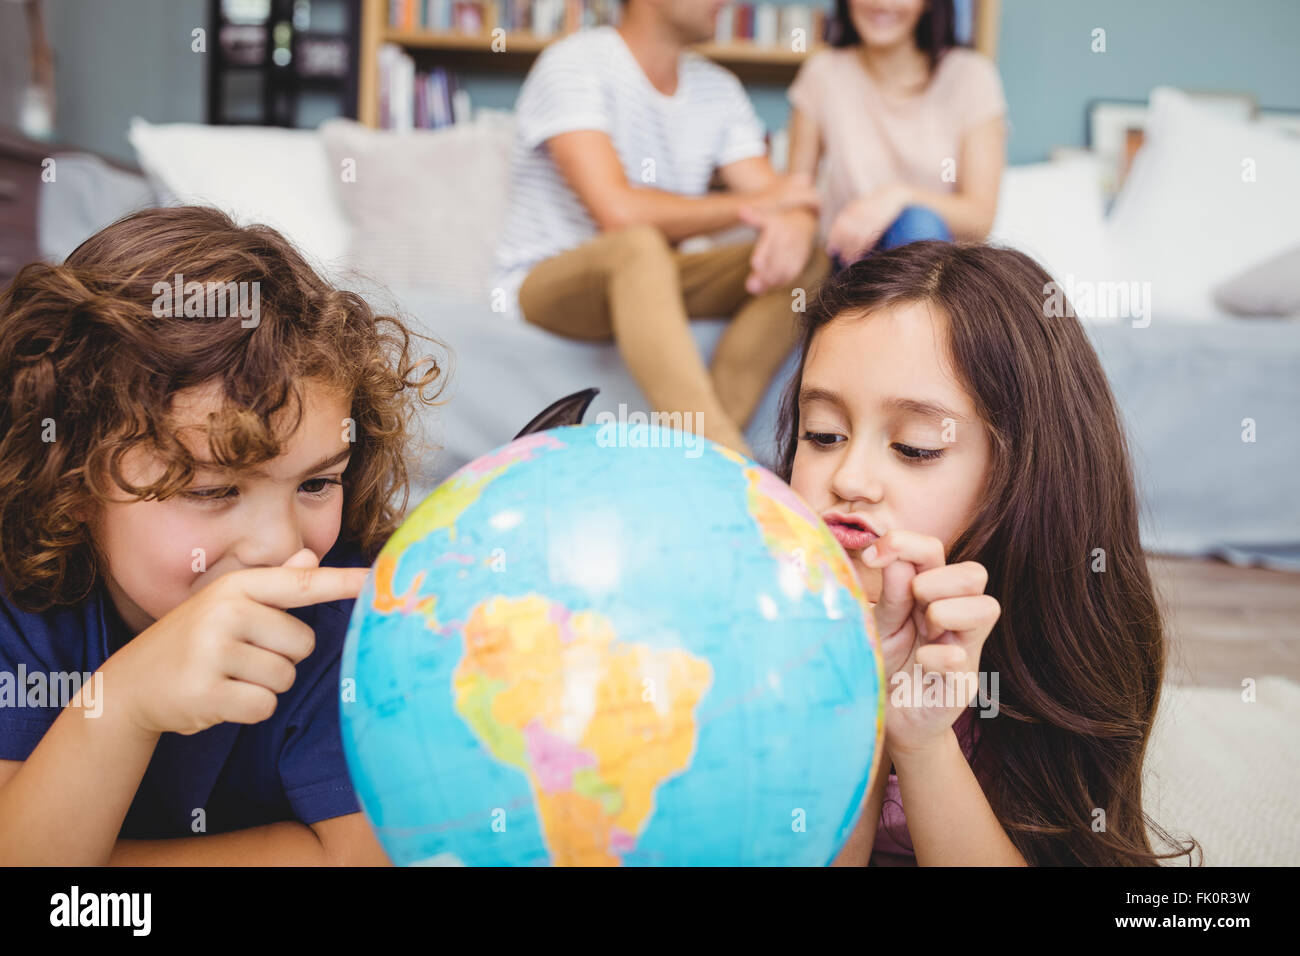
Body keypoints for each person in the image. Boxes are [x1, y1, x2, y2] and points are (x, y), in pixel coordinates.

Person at [0, 206, 445, 864]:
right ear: (72, 487)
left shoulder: (345, 619)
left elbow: (359, 860)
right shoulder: (25, 600)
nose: (278, 546)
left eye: (317, 483)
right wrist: (124, 703)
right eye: (212, 490)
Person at [776, 241, 1201, 865]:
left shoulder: (1059, 649)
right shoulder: (759, 626)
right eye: (823, 435)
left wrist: (921, 740)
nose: (851, 478)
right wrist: (862, 711)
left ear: (1025, 472)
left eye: (915, 447)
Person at [491, 0, 830, 458]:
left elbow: (781, 196)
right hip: (549, 283)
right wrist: (768, 204)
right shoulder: (573, 64)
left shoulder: (718, 88)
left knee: (812, 257)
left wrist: (795, 222)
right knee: (638, 244)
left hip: (652, 275)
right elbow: (618, 211)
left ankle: (706, 450)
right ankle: (730, 458)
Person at [784, 0, 1007, 272]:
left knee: (918, 222)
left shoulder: (971, 77)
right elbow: (797, 191)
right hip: (849, 265)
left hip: (938, 274)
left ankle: (912, 309)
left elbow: (980, 218)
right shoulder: (822, 74)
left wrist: (899, 196)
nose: (881, 3)